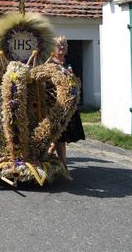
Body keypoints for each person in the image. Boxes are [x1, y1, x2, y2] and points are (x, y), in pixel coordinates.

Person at [47, 36, 85, 179]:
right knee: (58, 135)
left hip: (70, 104)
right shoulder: (50, 63)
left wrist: (76, 82)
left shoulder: (69, 63)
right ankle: (62, 165)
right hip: (55, 104)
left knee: (61, 136)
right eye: (59, 46)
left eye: (64, 46)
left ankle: (55, 162)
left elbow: (75, 80)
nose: (62, 48)